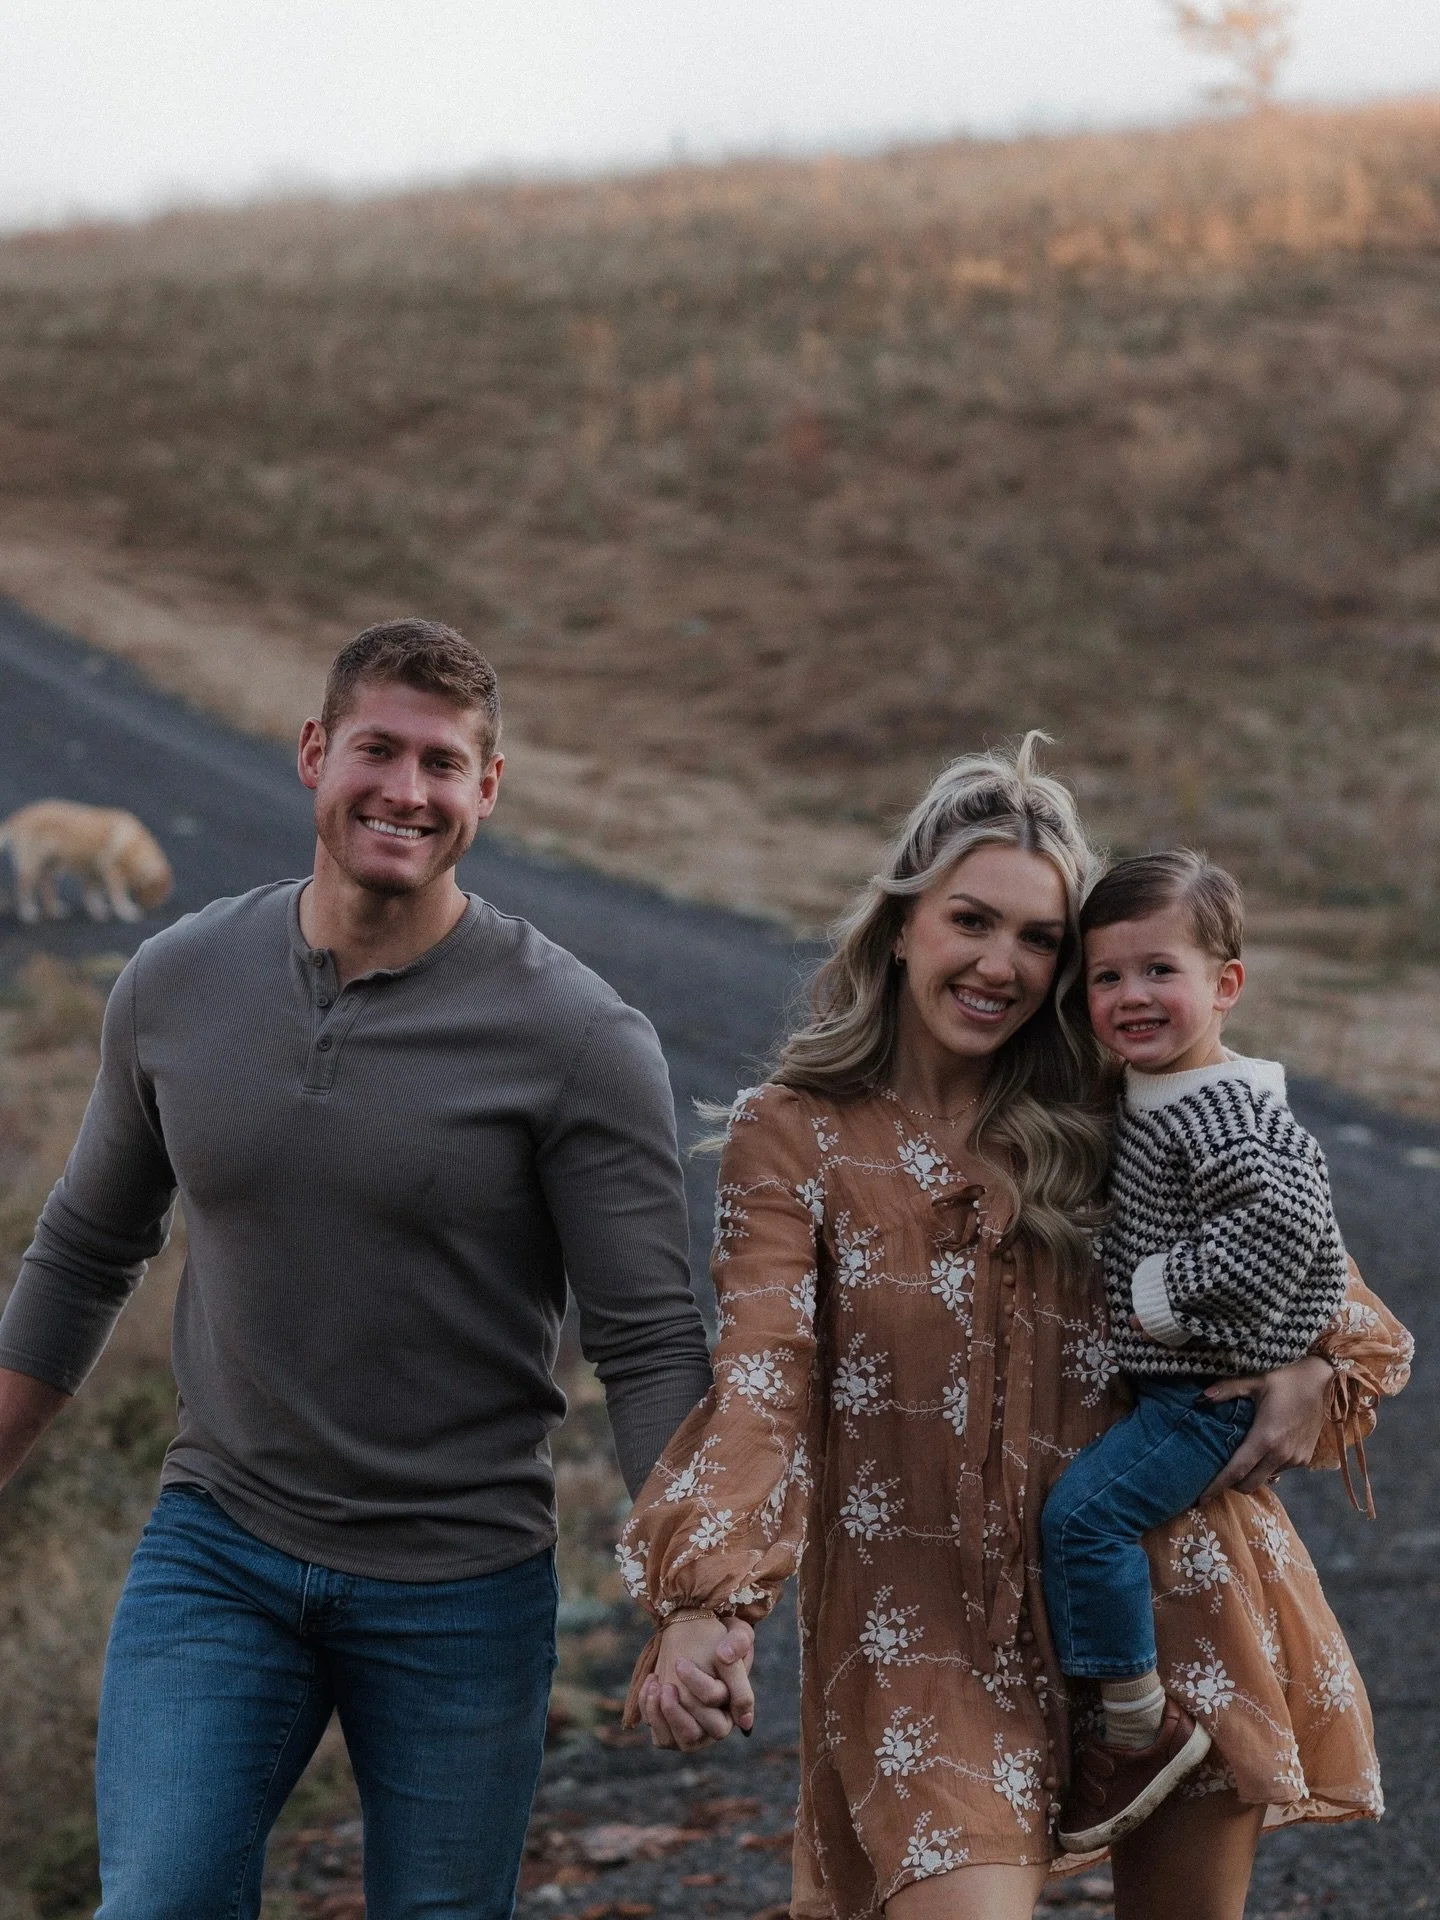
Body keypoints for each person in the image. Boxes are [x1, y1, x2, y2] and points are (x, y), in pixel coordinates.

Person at [616, 738, 1411, 1920]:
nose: (1002, 964)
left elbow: (1329, 1286)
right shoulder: (796, 1133)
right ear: (902, 925)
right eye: (970, 921)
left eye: (1040, 940)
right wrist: (705, 1598)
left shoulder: (1121, 1101)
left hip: (1163, 1601)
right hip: (922, 1622)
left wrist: (1308, 1365)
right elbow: (764, 1379)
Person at [0, 619, 713, 1920]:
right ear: (315, 753)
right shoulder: (175, 983)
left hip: (461, 1586)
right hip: (218, 1550)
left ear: (485, 792)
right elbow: (86, 1251)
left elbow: (651, 1338)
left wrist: (697, 1599)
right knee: (155, 1904)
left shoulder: (579, 1038)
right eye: (378, 749)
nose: (406, 790)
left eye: (444, 765)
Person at [1042, 850, 1353, 1852]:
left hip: (1202, 1397)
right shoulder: (1155, 1087)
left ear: (1226, 985)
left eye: (1159, 971)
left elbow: (1289, 1219)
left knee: (1084, 1520)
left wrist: (1156, 1298)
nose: (1132, 995)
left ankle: (1138, 1727)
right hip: (1184, 1383)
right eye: (1107, 976)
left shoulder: (1215, 1103)